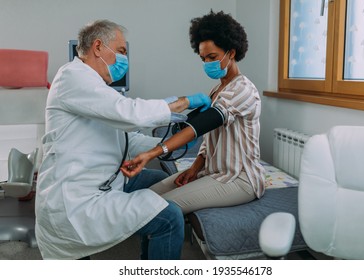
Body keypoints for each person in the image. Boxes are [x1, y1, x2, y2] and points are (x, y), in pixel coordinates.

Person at [34, 19, 211, 260]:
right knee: (168, 217)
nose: (124, 60)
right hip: (75, 199)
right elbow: (130, 113)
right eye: (121, 52)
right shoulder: (72, 77)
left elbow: (127, 141)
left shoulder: (98, 89)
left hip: (105, 179)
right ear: (98, 47)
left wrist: (174, 143)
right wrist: (184, 102)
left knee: (159, 179)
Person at [121, 11, 266, 215]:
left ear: (231, 53)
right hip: (212, 173)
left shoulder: (243, 89)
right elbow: (208, 141)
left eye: (212, 57)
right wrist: (194, 169)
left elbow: (201, 126)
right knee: (148, 196)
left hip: (240, 179)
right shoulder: (216, 90)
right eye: (204, 58)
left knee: (157, 209)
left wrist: (153, 153)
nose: (207, 63)